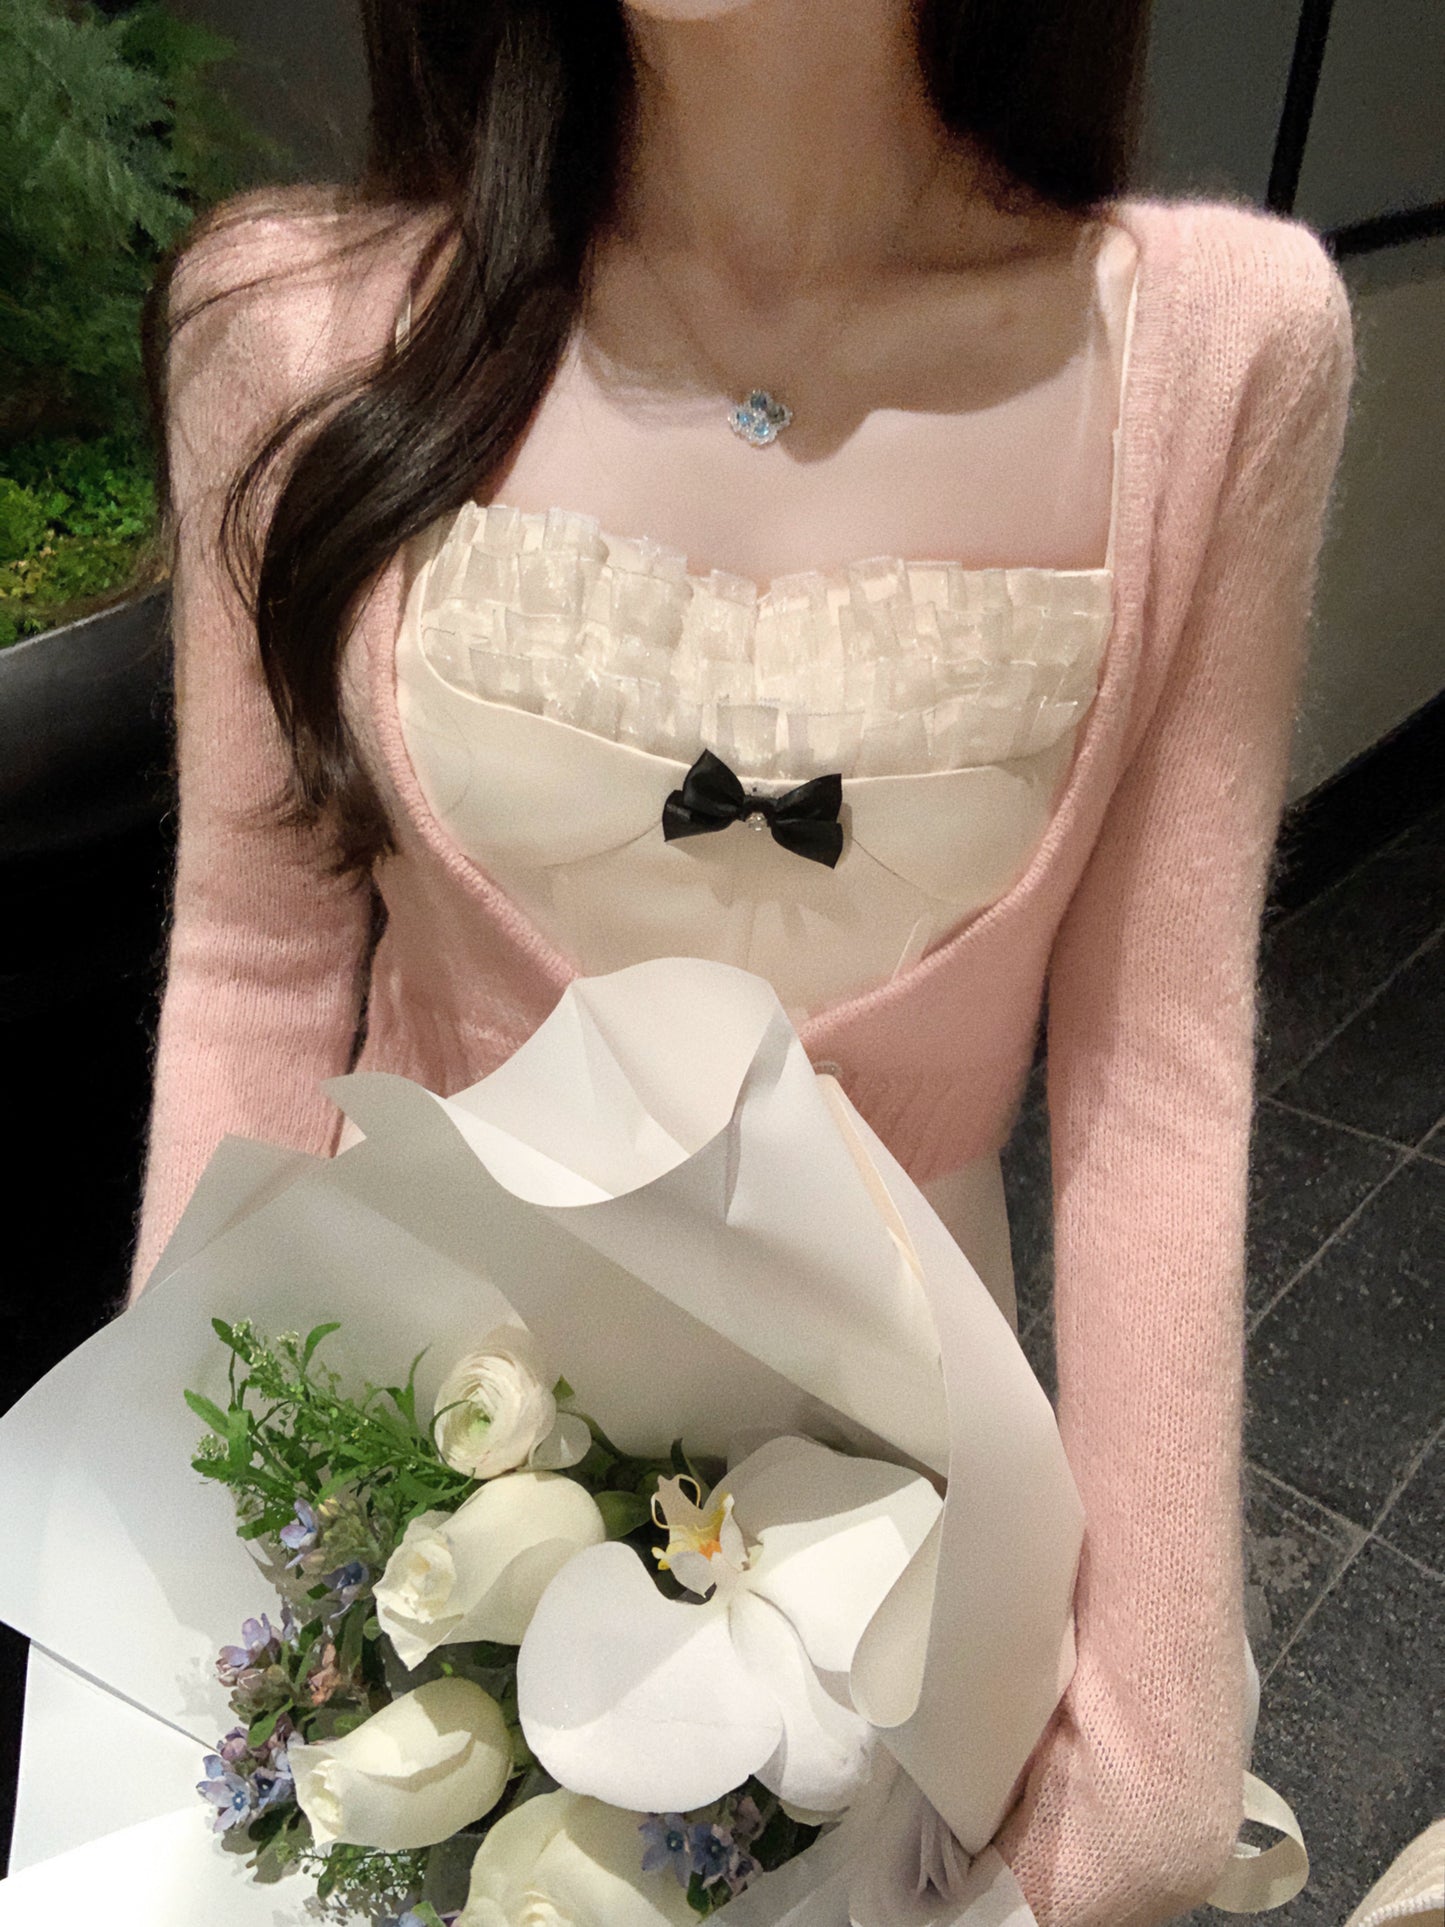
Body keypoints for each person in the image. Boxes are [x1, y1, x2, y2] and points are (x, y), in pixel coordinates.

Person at [126, 0, 1356, 1921]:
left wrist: (1151, 1752)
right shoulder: (287, 326)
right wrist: (178, 1593)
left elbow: (1159, 1071)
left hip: (905, 1551)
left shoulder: (1213, 349)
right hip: (397, 1505)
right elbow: (254, 973)